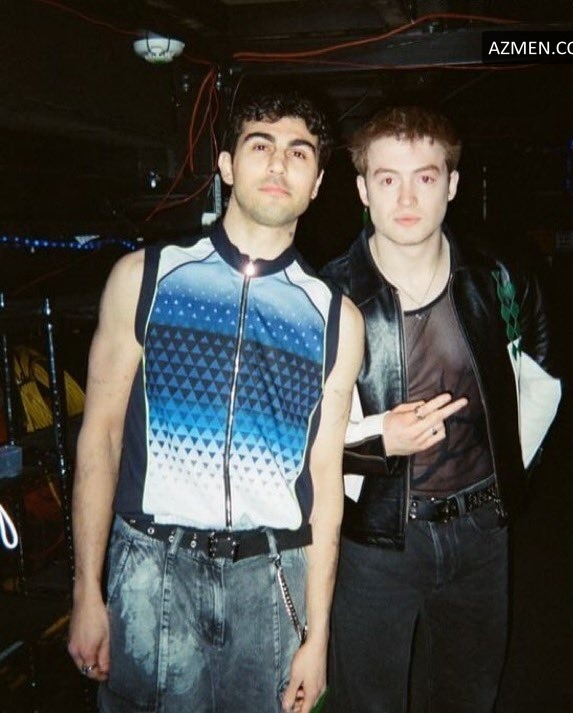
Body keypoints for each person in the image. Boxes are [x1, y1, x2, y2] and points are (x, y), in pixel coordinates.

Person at [67, 90, 364, 713]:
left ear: (317, 184)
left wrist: (319, 634)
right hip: (150, 571)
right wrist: (86, 589)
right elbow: (100, 437)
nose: (279, 163)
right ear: (226, 165)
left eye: (299, 152)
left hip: (271, 579)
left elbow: (325, 478)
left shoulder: (337, 318)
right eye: (260, 145)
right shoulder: (145, 278)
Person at [321, 105, 556, 713]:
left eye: (424, 177)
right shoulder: (324, 298)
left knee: (469, 697)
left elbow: (541, 381)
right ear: (362, 189)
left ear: (451, 184)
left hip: (482, 535)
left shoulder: (499, 278)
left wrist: (509, 479)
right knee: (366, 702)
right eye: (387, 178)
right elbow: (296, 438)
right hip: (374, 542)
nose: (406, 198)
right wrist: (378, 442)